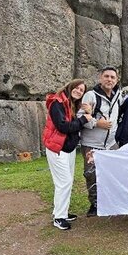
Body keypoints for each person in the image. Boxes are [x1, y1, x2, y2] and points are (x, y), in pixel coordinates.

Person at [42, 79, 93, 230]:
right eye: (77, 88)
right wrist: (83, 119)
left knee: (67, 181)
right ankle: (59, 217)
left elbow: (75, 121)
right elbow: (62, 126)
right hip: (57, 148)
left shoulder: (70, 104)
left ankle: (62, 212)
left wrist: (86, 114)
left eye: (81, 90)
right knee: (63, 182)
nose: (78, 91)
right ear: (70, 87)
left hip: (68, 148)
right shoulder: (57, 102)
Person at [78, 66, 124, 217]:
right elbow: (80, 118)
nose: (109, 79)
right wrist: (97, 123)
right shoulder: (90, 96)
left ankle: (111, 201)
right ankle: (95, 203)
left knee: (113, 173)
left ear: (117, 80)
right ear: (100, 78)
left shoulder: (119, 95)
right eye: (106, 76)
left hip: (111, 143)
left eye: (112, 77)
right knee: (91, 174)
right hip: (92, 143)